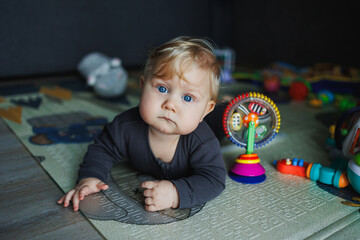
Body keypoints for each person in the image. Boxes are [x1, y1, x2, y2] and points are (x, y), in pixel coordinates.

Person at [58, 36, 226, 212]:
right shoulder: (125, 126)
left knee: (222, 121)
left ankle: (224, 109)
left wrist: (175, 193)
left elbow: (213, 179)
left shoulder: (203, 141)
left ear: (205, 109)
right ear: (142, 85)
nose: (170, 104)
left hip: (211, 125)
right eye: (162, 88)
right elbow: (102, 149)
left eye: (187, 97)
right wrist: (89, 178)